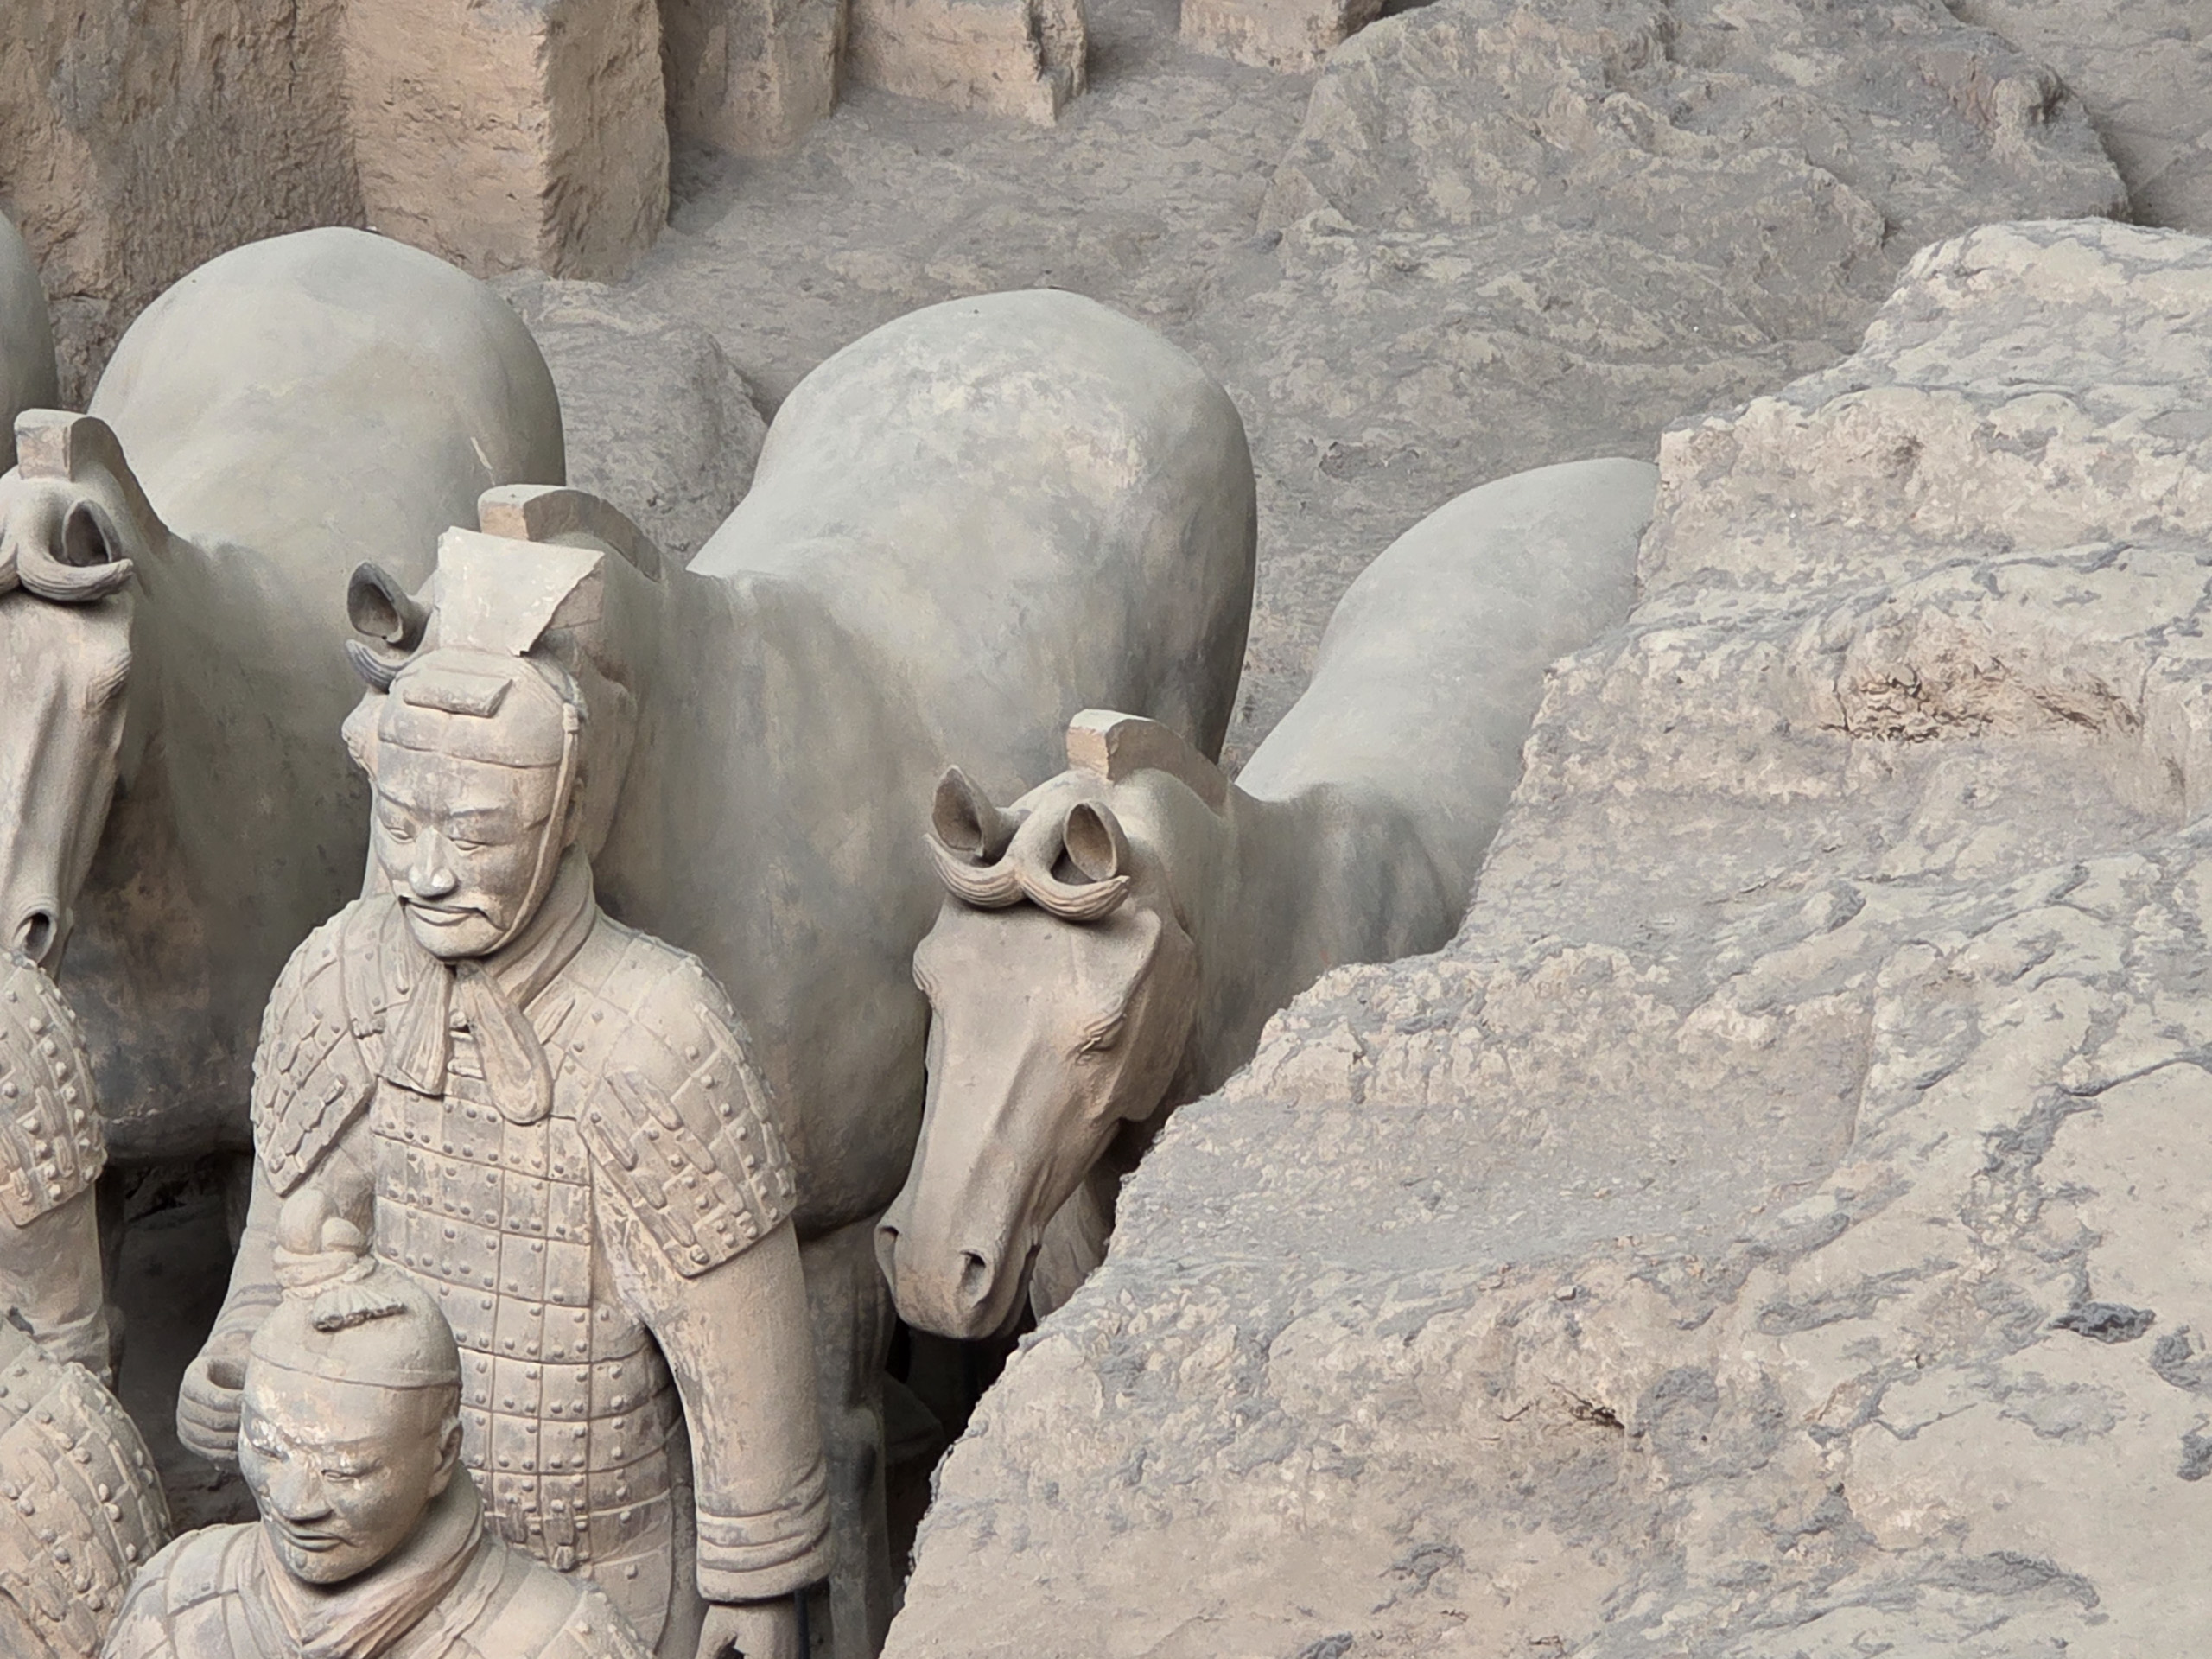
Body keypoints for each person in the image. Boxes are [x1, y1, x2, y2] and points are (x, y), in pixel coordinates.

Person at [177, 543, 830, 1659]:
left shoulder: (654, 1026)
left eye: (476, 834)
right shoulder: (336, 984)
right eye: (401, 827)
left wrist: (756, 1577)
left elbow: (738, 1340)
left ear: (567, 813)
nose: (426, 874)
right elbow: (284, 1253)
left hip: (600, 1564)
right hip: (374, 1556)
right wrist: (235, 1360)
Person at [106, 1188, 655, 1658]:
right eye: (269, 1449)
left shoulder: (560, 1642)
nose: (295, 1504)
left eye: (346, 1471)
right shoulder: (174, 1602)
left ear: (443, 1456)